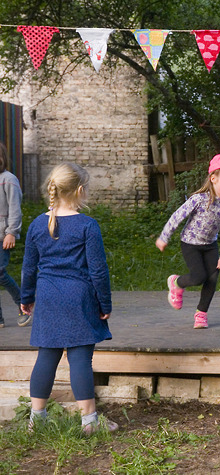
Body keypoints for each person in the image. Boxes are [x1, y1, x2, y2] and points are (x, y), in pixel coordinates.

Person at [21, 163, 117, 434]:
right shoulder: (88, 225)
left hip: (48, 298)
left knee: (46, 358)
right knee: (80, 360)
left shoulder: (37, 225)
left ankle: (35, 421)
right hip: (80, 300)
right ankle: (90, 423)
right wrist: (105, 303)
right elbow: (98, 270)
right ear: (79, 191)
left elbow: (29, 268)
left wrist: (27, 297)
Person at [156, 154, 220, 329]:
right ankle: (176, 282)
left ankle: (201, 314)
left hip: (210, 245)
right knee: (198, 277)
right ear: (213, 178)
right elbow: (177, 216)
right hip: (190, 243)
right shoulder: (199, 199)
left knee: (212, 279)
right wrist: (164, 237)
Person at [0, 143, 31, 328]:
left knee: (0, 273)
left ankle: (23, 305)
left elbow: (15, 208)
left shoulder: (8, 179)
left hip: (2, 235)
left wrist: (12, 232)